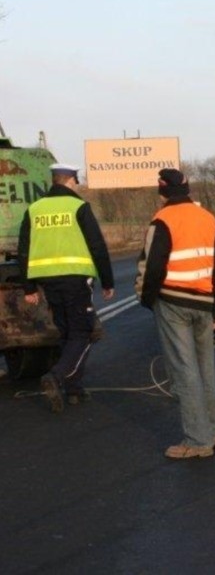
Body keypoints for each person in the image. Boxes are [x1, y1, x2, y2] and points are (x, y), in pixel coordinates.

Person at [134, 168, 215, 459]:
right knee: (205, 370)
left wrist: (147, 299)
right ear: (188, 189)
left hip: (173, 302)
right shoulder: (208, 218)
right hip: (204, 303)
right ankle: (214, 432)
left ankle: (196, 441)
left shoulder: (162, 220)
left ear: (162, 190)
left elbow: (152, 266)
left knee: (184, 371)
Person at [17, 163, 115, 412]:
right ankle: (57, 376)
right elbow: (97, 246)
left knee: (66, 333)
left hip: (48, 282)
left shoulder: (35, 209)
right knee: (83, 333)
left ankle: (73, 389)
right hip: (76, 280)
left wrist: (28, 287)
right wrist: (108, 281)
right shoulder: (78, 206)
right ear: (70, 180)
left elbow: (23, 250)